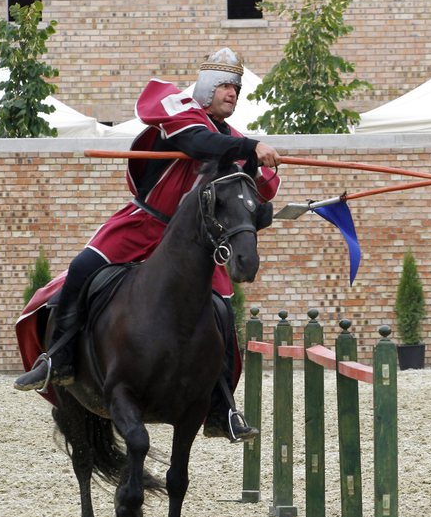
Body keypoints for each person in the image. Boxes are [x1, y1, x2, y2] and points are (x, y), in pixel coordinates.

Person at [15, 48, 281, 441]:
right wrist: (249, 149)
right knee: (83, 270)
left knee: (222, 312)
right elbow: (197, 142)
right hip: (145, 224)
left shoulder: (236, 142)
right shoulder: (180, 111)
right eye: (225, 84)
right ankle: (59, 359)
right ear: (207, 87)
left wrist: (263, 169)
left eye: (237, 87)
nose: (232, 92)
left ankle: (220, 406)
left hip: (192, 245)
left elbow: (255, 191)